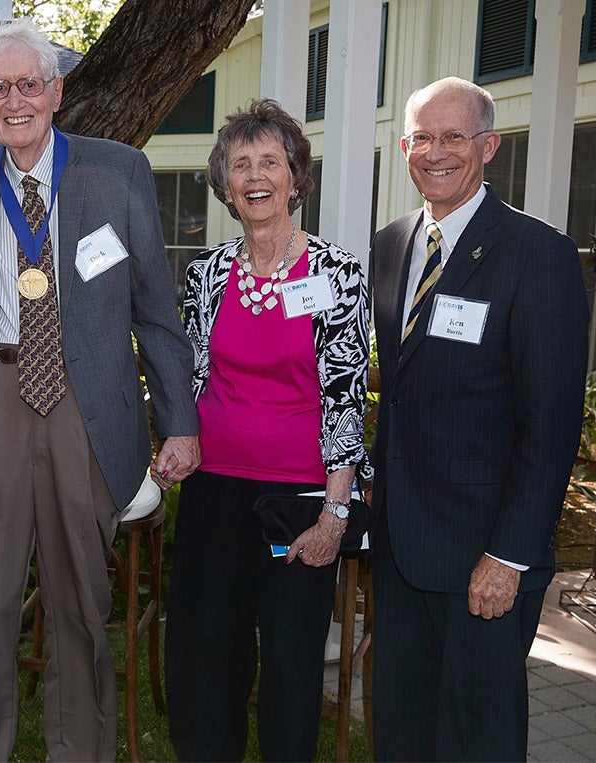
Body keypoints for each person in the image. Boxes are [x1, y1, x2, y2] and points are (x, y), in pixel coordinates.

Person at [0, 18, 200, 762]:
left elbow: (155, 308)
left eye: (30, 84)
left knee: (81, 601)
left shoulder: (118, 170)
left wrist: (179, 422)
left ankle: (81, 751)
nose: (17, 100)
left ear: (57, 90)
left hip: (88, 407)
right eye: (0, 87)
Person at [370, 76, 589, 761]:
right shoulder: (390, 244)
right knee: (400, 729)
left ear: (488, 145)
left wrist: (509, 554)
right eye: (422, 137)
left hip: (484, 557)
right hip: (402, 550)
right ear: (404, 146)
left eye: (454, 136)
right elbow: (401, 393)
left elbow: (551, 424)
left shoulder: (539, 255)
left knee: (476, 737)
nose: (436, 152)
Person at [166, 99, 370, 761]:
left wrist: (335, 515)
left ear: (294, 178)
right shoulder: (203, 275)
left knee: (289, 662)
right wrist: (173, 438)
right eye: (241, 162)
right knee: (207, 658)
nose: (256, 175)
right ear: (225, 183)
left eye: (270, 161)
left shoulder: (338, 275)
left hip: (298, 505)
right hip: (214, 495)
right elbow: (188, 381)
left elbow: (345, 400)